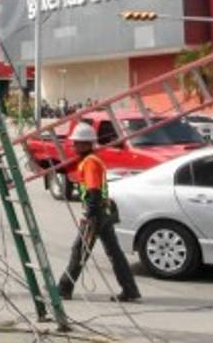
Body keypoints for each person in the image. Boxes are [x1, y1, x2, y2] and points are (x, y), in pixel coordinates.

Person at [57, 123, 141, 303]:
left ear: (87, 144)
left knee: (79, 251)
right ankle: (130, 289)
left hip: (96, 215)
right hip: (103, 213)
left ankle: (64, 288)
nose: (74, 146)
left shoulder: (90, 163)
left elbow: (94, 191)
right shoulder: (89, 160)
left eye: (77, 143)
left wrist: (89, 215)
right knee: (114, 253)